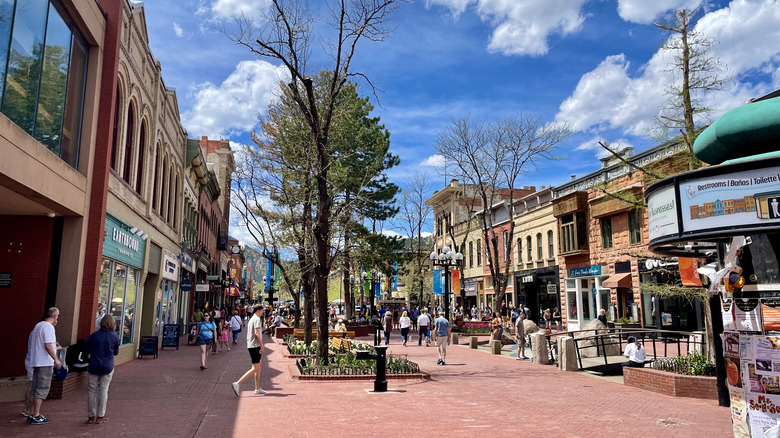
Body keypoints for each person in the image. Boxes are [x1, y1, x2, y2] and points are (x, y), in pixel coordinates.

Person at [25, 307, 62, 425]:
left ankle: (31, 413)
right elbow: (48, 345)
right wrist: (56, 359)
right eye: (58, 316)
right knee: (42, 388)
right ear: (55, 316)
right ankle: (36, 414)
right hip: (45, 362)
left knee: (34, 388)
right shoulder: (48, 327)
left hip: (36, 361)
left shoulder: (38, 326)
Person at [83, 314, 120, 424]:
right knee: (104, 390)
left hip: (94, 365)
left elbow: (85, 348)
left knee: (91, 390)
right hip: (107, 366)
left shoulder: (94, 335)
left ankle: (90, 415)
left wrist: (90, 355)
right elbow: (116, 352)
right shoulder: (114, 336)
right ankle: (100, 415)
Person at [232, 306, 266, 396]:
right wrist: (262, 344)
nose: (263, 312)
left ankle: (257, 388)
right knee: (256, 368)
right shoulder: (257, 319)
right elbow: (256, 333)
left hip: (252, 345)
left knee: (258, 365)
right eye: (262, 310)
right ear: (258, 310)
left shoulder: (252, 319)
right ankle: (238, 383)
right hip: (255, 346)